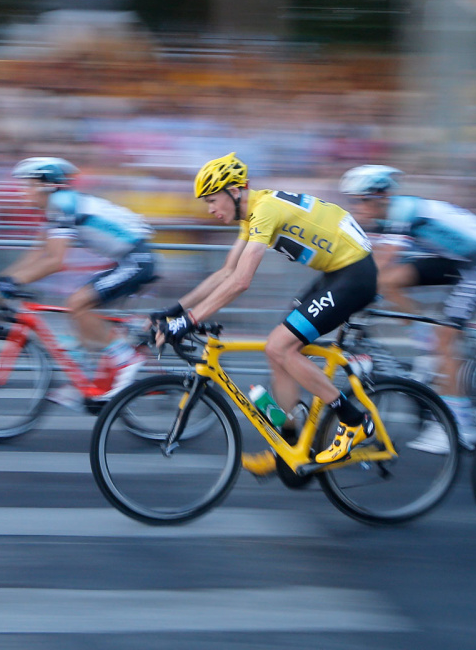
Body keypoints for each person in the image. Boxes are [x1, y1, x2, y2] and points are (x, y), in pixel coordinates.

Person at [154, 153, 377, 475]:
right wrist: (175, 310)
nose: (210, 209)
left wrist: (187, 322)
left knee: (279, 345)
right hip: (336, 273)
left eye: (213, 200)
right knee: (278, 352)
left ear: (235, 191)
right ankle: (292, 444)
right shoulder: (253, 214)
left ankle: (353, 420)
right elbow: (226, 272)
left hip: (354, 275)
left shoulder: (265, 212)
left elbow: (241, 282)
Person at [337, 165, 476, 453]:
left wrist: (342, 297)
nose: (356, 207)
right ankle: (426, 339)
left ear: (381, 196)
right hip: (455, 258)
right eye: (353, 200)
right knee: (386, 283)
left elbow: (383, 259)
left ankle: (460, 427)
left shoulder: (403, 210)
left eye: (361, 200)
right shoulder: (386, 214)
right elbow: (368, 261)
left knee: (445, 340)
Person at [0, 157, 156, 400]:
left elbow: (55, 260)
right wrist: (2, 280)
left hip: (136, 260)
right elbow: (38, 253)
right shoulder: (56, 208)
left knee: (77, 303)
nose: (21, 190)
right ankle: (88, 385)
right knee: (78, 312)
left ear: (44, 184)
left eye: (26, 184)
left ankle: (125, 357)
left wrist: (12, 283)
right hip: (128, 259)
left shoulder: (62, 204)